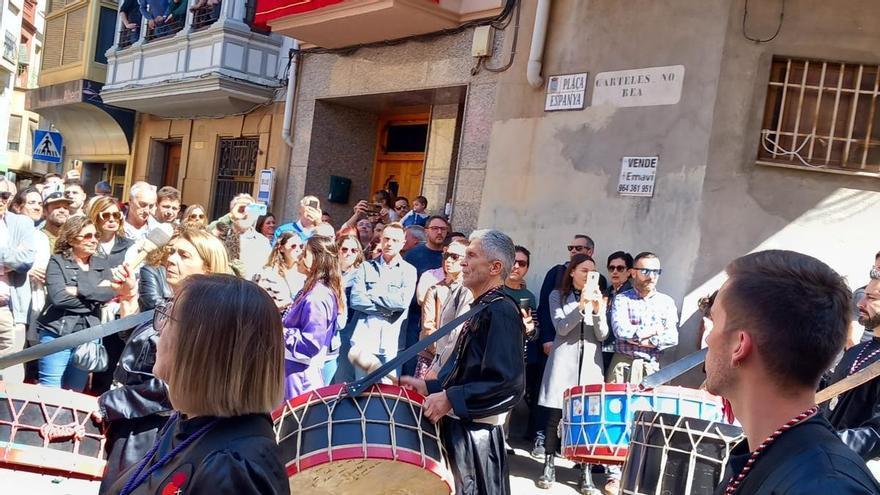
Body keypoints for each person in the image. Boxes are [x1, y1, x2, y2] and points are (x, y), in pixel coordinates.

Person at [705, 250, 880, 495]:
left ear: (739, 345)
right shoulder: (763, 454)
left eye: (714, 321)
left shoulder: (825, 486)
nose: (708, 337)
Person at [102, 274, 289, 495]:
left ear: (201, 349)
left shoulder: (233, 467)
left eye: (169, 318)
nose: (159, 330)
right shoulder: (190, 422)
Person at [97, 227, 231, 488]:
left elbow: (175, 385)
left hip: (156, 431)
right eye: (172, 252)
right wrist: (128, 295)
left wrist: (109, 402)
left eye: (184, 255)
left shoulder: (204, 316)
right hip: (133, 422)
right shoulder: (174, 304)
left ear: (208, 269)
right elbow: (134, 341)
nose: (171, 259)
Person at [400, 229, 525, 495]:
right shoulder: (484, 306)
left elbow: (508, 384)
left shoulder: (501, 311)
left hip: (475, 438)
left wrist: (450, 399)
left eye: (471, 255)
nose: (462, 262)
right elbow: (469, 372)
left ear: (495, 267)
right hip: (461, 431)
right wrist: (430, 388)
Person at [535, 254, 607, 494]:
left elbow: (603, 334)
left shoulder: (600, 297)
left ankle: (585, 471)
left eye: (592, 272)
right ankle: (548, 465)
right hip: (564, 362)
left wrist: (596, 310)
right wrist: (581, 305)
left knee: (587, 419)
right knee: (555, 416)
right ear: (573, 272)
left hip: (590, 365)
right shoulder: (557, 295)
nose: (589, 275)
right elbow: (562, 328)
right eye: (584, 270)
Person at [36, 216, 123, 390]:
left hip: (88, 336)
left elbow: (110, 293)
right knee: (49, 391)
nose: (93, 240)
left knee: (75, 391)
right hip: (56, 334)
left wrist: (77, 290)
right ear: (71, 239)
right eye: (87, 236)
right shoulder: (57, 261)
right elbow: (58, 297)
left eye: (95, 235)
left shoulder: (101, 263)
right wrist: (94, 297)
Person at [823, 266, 880, 475]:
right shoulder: (857, 350)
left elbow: (876, 435)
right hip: (822, 464)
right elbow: (830, 397)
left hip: (851, 475)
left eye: (871, 298)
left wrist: (816, 443)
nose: (860, 304)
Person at [348, 222, 417, 379]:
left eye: (394, 240)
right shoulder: (366, 267)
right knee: (362, 393)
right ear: (381, 240)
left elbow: (402, 302)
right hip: (364, 339)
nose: (389, 243)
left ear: (402, 243)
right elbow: (356, 299)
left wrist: (372, 293)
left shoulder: (409, 271)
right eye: (386, 239)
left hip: (391, 342)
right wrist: (386, 310)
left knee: (387, 395)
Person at [281, 236, 344, 399]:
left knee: (293, 422)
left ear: (317, 258)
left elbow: (310, 344)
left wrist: (281, 331)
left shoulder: (317, 296)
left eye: (304, 253)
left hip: (300, 374)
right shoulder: (314, 289)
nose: (299, 257)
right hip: (294, 370)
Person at [88, 196, 138, 394]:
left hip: (115, 315)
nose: (111, 219)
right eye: (105, 215)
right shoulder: (88, 241)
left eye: (116, 215)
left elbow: (126, 281)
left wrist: (104, 285)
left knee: (107, 368)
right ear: (95, 217)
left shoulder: (130, 246)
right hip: (88, 313)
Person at [607, 252, 678, 384]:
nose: (651, 277)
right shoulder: (622, 299)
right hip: (623, 367)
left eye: (656, 272)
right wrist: (654, 330)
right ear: (633, 273)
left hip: (652, 368)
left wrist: (643, 340)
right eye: (645, 271)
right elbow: (621, 331)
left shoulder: (666, 302)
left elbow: (672, 338)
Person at [402, 216, 448, 375]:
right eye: (435, 228)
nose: (439, 232)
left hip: (443, 320)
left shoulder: (450, 256)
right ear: (427, 231)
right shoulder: (413, 255)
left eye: (443, 229)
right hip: (416, 319)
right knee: (411, 363)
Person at [0, 178, 36, 383]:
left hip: (9, 310)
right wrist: (9, 257)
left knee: (11, 374)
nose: (0, 200)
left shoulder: (22, 223)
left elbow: (25, 261)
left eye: (4, 196)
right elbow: (16, 258)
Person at [414, 239, 467, 379]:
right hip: (432, 355)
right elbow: (428, 326)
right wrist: (441, 353)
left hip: (460, 358)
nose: (448, 260)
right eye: (446, 255)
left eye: (454, 256)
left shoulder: (471, 291)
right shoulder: (435, 290)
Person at [506, 246, 543, 442]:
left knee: (510, 401)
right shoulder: (494, 289)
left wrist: (530, 329)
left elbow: (535, 333)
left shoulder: (528, 297)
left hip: (518, 356)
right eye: (514, 261)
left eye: (522, 263)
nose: (517, 266)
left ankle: (503, 439)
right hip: (490, 353)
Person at [329, 234, 364, 384]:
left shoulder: (362, 274)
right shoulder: (328, 272)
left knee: (343, 375)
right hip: (327, 329)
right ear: (337, 250)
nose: (348, 253)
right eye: (344, 249)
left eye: (353, 250)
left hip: (348, 330)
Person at [252, 231, 305, 312]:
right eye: (293, 246)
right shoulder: (268, 273)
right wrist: (284, 304)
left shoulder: (304, 272)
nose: (298, 250)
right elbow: (259, 303)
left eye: (301, 246)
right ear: (281, 248)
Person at [602, 251, 634, 372]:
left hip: (621, 352)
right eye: (611, 268)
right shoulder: (606, 293)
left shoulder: (632, 296)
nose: (615, 271)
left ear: (629, 272)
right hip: (603, 349)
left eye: (620, 268)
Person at [851, 251, 880, 346]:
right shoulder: (862, 296)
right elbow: (845, 317)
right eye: (875, 270)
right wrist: (848, 341)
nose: (876, 275)